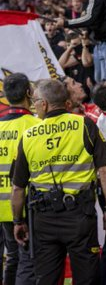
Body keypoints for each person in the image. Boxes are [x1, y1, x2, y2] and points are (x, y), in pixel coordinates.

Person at [11, 79, 106, 285]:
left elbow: (18, 188)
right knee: (87, 278)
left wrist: (18, 221)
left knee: (47, 279)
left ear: (45, 104)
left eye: (36, 101)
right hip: (80, 215)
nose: (34, 105)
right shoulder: (84, 124)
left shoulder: (29, 136)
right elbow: (105, 171)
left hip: (43, 218)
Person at [0, 73, 40, 285]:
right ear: (29, 93)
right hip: (24, 206)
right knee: (26, 260)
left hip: (2, 206)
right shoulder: (35, 125)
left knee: (11, 259)